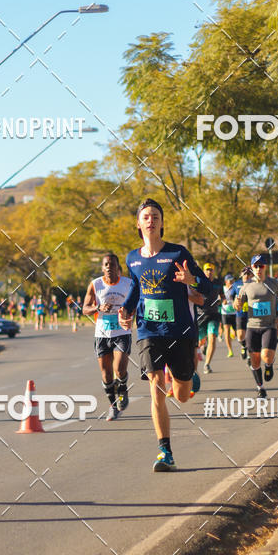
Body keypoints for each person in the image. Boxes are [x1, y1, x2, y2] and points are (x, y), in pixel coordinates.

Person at [119, 198, 212, 471]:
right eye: (146, 216)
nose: (151, 220)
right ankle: (165, 452)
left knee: (182, 395)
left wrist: (191, 280)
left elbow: (209, 287)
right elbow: (136, 288)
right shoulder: (132, 258)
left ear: (161, 223)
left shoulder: (178, 254)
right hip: (149, 330)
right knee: (156, 385)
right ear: (138, 223)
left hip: (181, 331)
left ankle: (187, 376)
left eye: (156, 216)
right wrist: (126, 309)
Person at [83, 254, 132, 421]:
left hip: (122, 332)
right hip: (102, 334)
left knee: (119, 368)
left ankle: (123, 388)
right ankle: (113, 406)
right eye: (106, 264)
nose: (109, 267)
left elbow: (136, 304)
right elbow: (85, 309)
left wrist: (129, 313)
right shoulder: (95, 285)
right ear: (102, 268)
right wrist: (98, 307)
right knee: (106, 374)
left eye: (112, 264)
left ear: (118, 267)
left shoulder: (127, 284)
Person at [234, 255, 278, 399]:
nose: (258, 269)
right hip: (252, 327)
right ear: (251, 268)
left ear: (265, 267)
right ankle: (260, 387)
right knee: (255, 360)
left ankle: (269, 365)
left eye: (261, 266)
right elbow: (237, 304)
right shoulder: (246, 286)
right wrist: (237, 304)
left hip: (269, 325)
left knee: (266, 357)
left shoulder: (273, 283)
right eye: (255, 266)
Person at [196, 263, 222, 374]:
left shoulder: (217, 283)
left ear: (214, 271)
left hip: (213, 314)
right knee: (201, 341)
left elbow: (222, 295)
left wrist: (222, 300)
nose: (209, 272)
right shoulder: (199, 282)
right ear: (204, 271)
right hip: (200, 315)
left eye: (211, 270)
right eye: (207, 270)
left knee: (212, 337)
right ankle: (203, 345)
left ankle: (207, 364)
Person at [220, 273, 237, 358]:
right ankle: (230, 350)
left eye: (232, 280)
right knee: (226, 330)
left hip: (234, 312)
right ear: (226, 281)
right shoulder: (222, 289)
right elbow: (219, 298)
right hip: (225, 312)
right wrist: (222, 300)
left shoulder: (235, 288)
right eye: (230, 281)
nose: (231, 282)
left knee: (238, 332)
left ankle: (243, 346)